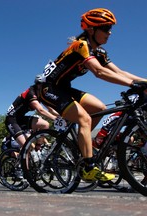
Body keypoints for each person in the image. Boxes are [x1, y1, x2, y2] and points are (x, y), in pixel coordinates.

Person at [37, 8, 147, 182]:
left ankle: (81, 147)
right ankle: (88, 167)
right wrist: (133, 85)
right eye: (105, 28)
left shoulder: (99, 52)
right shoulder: (81, 46)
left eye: (110, 28)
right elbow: (99, 72)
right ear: (91, 29)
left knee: (100, 108)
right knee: (85, 119)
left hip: (64, 88)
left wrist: (144, 81)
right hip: (47, 89)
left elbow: (119, 72)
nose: (109, 32)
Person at [5, 80, 60, 178]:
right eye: (44, 86)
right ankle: (23, 171)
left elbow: (50, 109)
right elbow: (40, 110)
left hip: (21, 118)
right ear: (38, 85)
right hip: (12, 119)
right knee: (26, 146)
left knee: (45, 125)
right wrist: (56, 119)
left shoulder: (41, 94)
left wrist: (63, 116)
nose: (46, 89)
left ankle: (38, 147)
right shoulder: (31, 93)